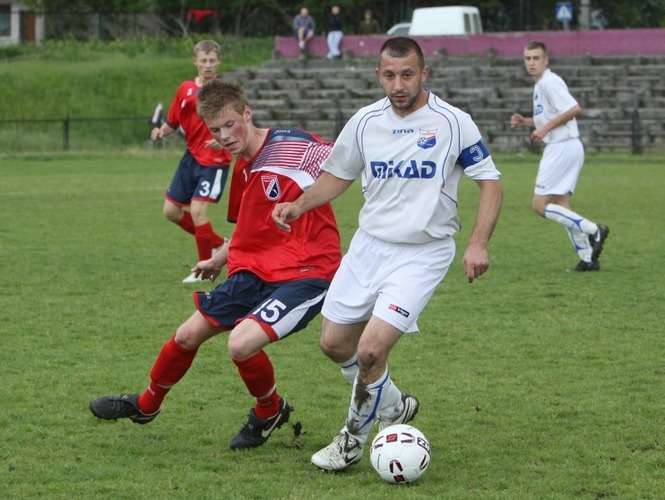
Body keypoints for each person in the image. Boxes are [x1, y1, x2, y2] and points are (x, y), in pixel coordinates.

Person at [272, 37, 503, 471]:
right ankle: (394, 406)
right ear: (378, 74)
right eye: (390, 75)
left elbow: (489, 182)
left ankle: (351, 441)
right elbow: (338, 175)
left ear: (424, 74)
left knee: (371, 351)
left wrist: (478, 242)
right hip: (369, 247)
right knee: (334, 344)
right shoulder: (365, 122)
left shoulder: (453, 122)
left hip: (422, 253)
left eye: (408, 75)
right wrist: (299, 204)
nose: (398, 85)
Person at [90, 80, 342, 450]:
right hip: (255, 269)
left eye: (230, 125)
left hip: (306, 271)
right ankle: (146, 406)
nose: (224, 136)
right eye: (215, 130)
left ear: (247, 114)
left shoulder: (293, 145)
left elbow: (348, 158)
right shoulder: (242, 166)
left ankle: (268, 410)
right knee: (186, 336)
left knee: (240, 345)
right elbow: (249, 224)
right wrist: (219, 257)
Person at [510, 41, 609, 271]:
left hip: (561, 147)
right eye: (528, 58)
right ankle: (588, 258)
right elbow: (550, 116)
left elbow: (573, 109)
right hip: (567, 146)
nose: (531, 63)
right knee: (561, 206)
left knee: (539, 205)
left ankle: (594, 230)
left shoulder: (549, 82)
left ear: (546, 61)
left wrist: (544, 129)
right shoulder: (542, 85)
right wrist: (526, 121)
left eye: (536, 58)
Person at [151, 39, 232, 284]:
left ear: (218, 62)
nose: (208, 65)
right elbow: (173, 120)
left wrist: (224, 139)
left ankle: (203, 269)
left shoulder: (224, 92)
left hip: (215, 161)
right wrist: (161, 132)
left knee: (197, 211)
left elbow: (241, 121)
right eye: (203, 60)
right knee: (170, 211)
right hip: (191, 158)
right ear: (195, 62)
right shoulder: (185, 89)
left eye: (212, 61)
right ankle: (220, 244)